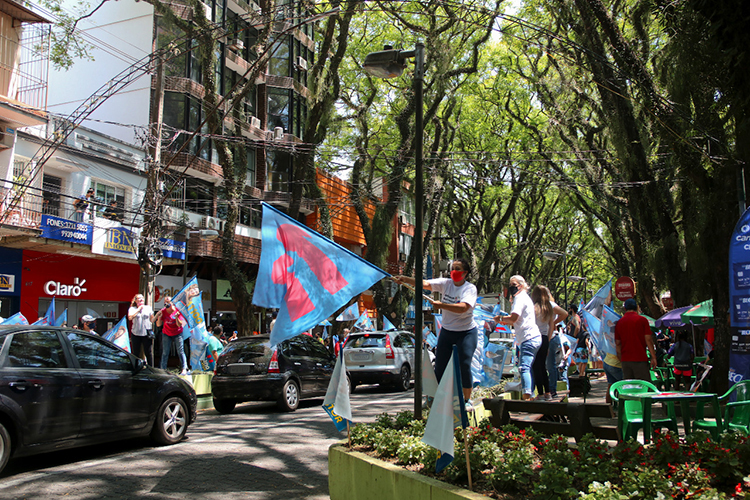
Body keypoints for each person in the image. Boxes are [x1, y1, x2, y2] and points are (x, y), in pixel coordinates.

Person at [393, 258, 478, 406]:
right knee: (439, 366)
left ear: (465, 273)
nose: (454, 271)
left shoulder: (469, 289)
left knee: (464, 365)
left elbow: (463, 307)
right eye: (452, 268)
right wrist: (404, 279)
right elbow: (425, 283)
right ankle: (435, 397)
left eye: (457, 269)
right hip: (447, 332)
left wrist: (442, 305)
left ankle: (466, 400)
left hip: (466, 333)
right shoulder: (446, 283)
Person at [494, 275, 541, 400]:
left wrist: (499, 319)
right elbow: (516, 320)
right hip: (533, 337)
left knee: (524, 367)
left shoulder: (519, 298)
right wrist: (505, 320)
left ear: (522, 285)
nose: (511, 287)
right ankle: (531, 394)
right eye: (510, 285)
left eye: (514, 285)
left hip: (528, 338)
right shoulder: (525, 298)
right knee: (529, 367)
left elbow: (514, 318)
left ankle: (527, 396)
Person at [615, 298, 657, 381]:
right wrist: (653, 357)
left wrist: (621, 359)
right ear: (636, 308)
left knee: (629, 386)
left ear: (625, 309)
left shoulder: (619, 322)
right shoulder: (642, 320)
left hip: (626, 361)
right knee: (643, 385)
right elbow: (648, 339)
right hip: (640, 359)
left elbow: (618, 343)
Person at [156, 296, 188, 375]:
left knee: (180, 351)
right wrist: (159, 318)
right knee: (165, 352)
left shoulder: (177, 310)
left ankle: (184, 368)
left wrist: (177, 317)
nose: (166, 303)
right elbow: (158, 325)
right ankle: (163, 369)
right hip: (166, 333)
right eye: (165, 302)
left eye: (168, 301)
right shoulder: (163, 311)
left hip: (177, 333)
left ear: (172, 302)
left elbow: (179, 325)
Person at [128, 293, 155, 366]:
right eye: (139, 298)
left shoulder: (148, 308)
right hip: (135, 333)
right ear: (136, 300)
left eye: (142, 298)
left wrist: (158, 316)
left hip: (146, 334)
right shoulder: (132, 309)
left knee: (148, 352)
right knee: (136, 353)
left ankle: (150, 368)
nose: (141, 299)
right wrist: (138, 309)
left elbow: (152, 320)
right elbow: (130, 318)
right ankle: (135, 367)